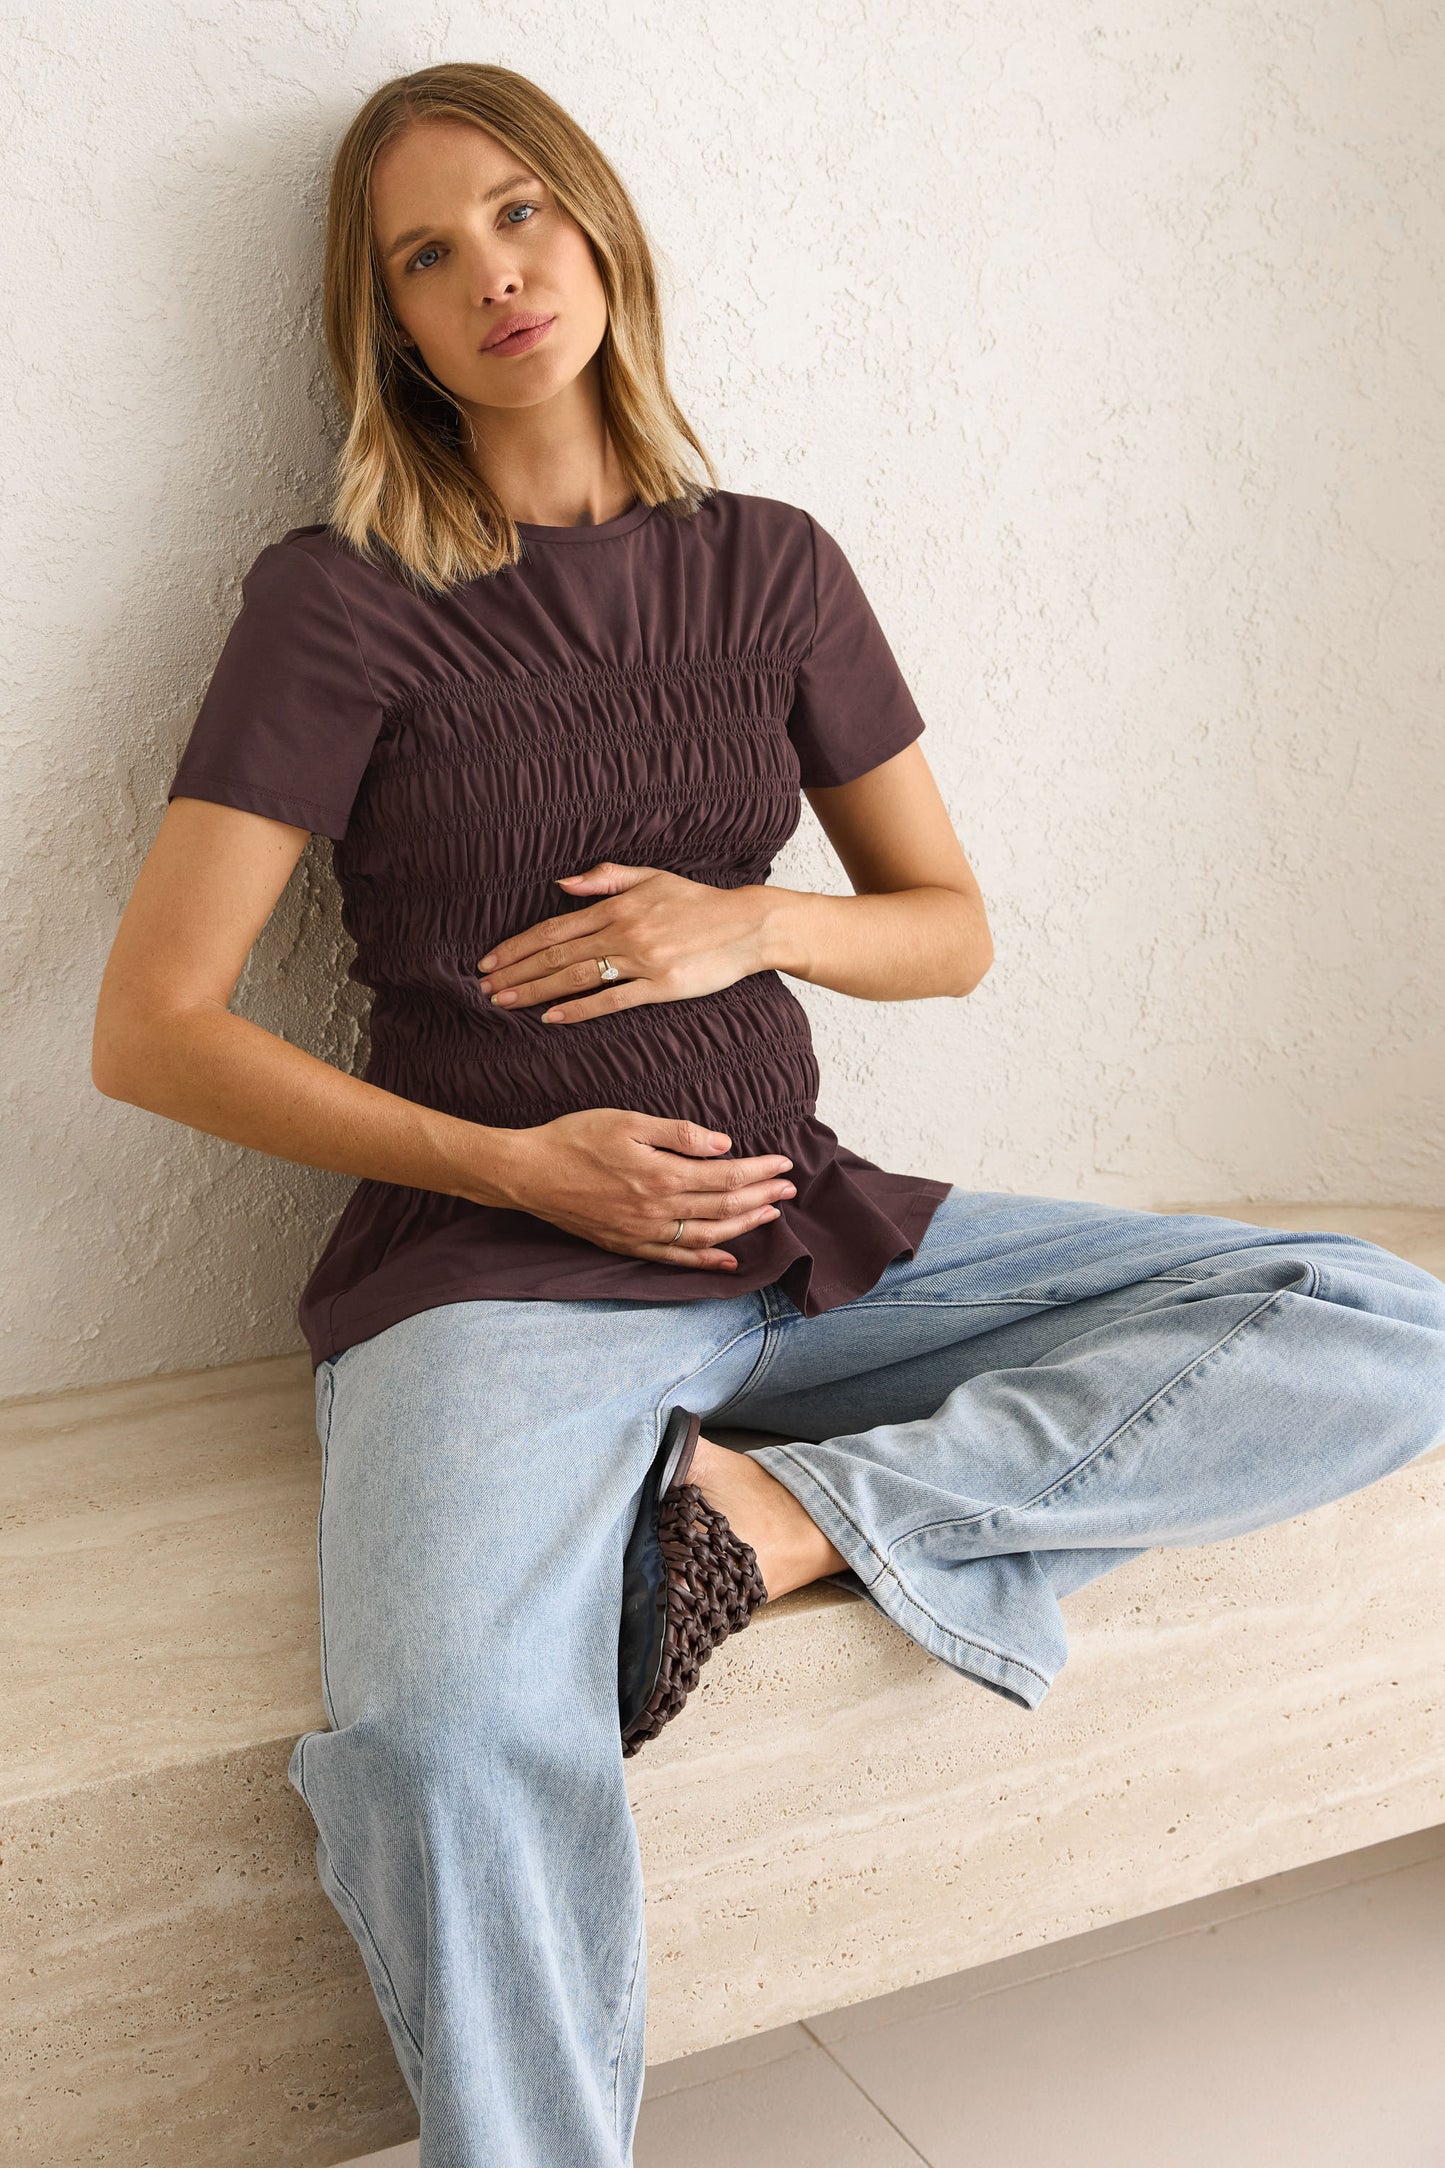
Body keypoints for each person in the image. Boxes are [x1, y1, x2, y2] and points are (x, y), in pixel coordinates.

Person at [91, 59, 1445, 2168]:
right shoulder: (337, 602)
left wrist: (756, 923)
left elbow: (951, 927)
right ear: (392, 331)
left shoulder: (774, 568)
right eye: (425, 258)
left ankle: (779, 1520)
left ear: (603, 232)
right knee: (451, 1738)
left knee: (1382, 1321)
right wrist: (509, 1160)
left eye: (521, 213)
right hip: (499, 1280)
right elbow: (151, 1026)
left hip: (812, 1247)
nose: (492, 276)